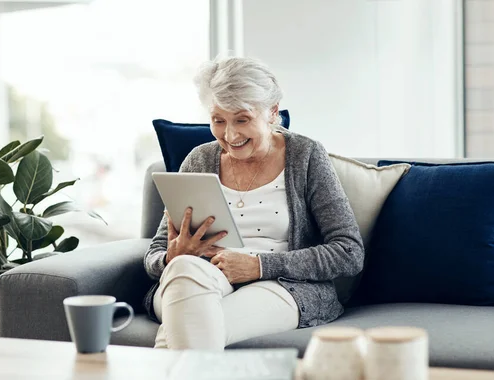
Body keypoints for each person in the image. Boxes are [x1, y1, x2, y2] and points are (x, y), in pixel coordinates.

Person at [143, 56, 364, 350]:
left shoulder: (306, 156)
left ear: (272, 112)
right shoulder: (198, 159)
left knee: (191, 322)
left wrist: (260, 266)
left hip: (279, 286)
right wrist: (173, 257)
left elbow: (348, 252)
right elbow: (154, 254)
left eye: (242, 120)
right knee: (184, 272)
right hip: (197, 277)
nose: (230, 135)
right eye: (218, 121)